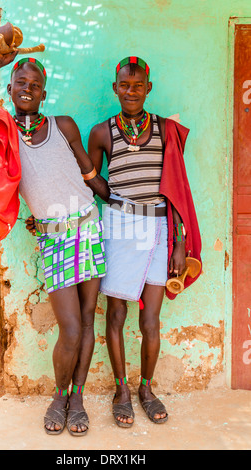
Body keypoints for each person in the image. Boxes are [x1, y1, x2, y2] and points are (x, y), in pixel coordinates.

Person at [0, 51, 110, 437]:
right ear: (9, 89)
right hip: (55, 238)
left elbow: (87, 171)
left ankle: (76, 399)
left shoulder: (64, 125)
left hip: (89, 227)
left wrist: (113, 195)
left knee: (88, 316)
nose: (27, 90)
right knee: (72, 327)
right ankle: (58, 396)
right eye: (21, 83)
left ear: (44, 94)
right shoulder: (1, 127)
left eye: (35, 86)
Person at [88, 56, 201, 427]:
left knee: (150, 319)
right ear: (115, 87)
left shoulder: (166, 129)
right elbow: (90, 179)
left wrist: (180, 243)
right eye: (124, 85)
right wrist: (115, 202)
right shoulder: (102, 132)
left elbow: (178, 191)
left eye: (138, 86)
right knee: (117, 315)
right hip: (120, 227)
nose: (130, 91)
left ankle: (146, 389)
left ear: (148, 88)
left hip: (159, 230)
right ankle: (121, 390)